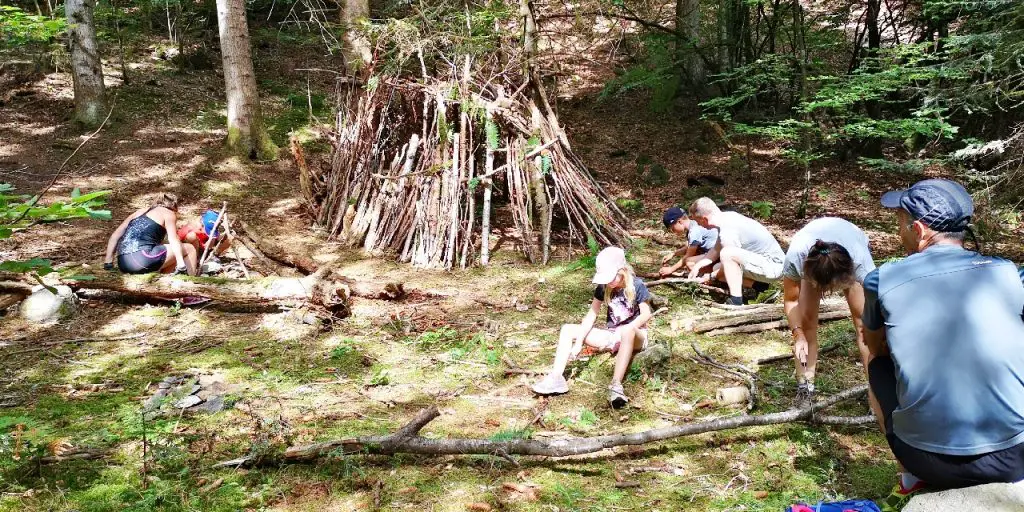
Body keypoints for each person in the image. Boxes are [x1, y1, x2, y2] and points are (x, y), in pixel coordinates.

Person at [862, 179, 1024, 509]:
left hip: (929, 460)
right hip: (1016, 457)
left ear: (919, 230)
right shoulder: (1010, 273)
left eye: (900, 223)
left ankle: (909, 478)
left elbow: (875, 346)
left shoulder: (882, 279)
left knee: (876, 363)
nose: (899, 232)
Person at [531, 247, 653, 408]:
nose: (609, 282)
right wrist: (579, 342)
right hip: (612, 335)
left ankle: (616, 386)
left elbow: (646, 314)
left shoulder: (637, 285)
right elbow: (591, 315)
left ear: (622, 271)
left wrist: (625, 330)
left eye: (612, 277)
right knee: (568, 329)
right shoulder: (604, 288)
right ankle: (556, 378)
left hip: (636, 335)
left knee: (627, 331)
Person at [781, 217, 875, 408]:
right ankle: (805, 390)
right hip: (815, 262)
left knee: (864, 325)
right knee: (807, 325)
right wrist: (798, 335)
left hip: (847, 251)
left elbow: (879, 310)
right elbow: (791, 301)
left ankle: (875, 391)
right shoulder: (797, 258)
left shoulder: (860, 263)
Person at [687, 197, 785, 305]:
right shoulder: (726, 219)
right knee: (717, 267)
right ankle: (762, 288)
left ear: (704, 219)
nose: (698, 225)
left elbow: (728, 259)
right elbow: (715, 250)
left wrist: (711, 277)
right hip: (765, 263)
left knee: (726, 255)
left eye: (697, 221)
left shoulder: (727, 229)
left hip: (773, 267)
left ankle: (736, 302)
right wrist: (697, 266)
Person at [103, 193, 197, 275]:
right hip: (142, 259)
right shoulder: (168, 213)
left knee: (168, 253)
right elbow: (173, 240)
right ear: (174, 207)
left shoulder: (139, 212)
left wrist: (108, 263)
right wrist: (181, 265)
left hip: (123, 263)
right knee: (189, 248)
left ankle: (164, 288)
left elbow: (115, 236)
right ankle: (189, 288)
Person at [659, 207, 718, 277]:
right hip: (713, 253)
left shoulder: (694, 231)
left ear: (679, 221)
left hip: (717, 256)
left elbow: (688, 255)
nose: (673, 232)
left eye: (672, 228)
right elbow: (689, 248)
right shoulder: (693, 224)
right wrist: (673, 254)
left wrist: (671, 269)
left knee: (689, 261)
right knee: (693, 253)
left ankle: (707, 277)